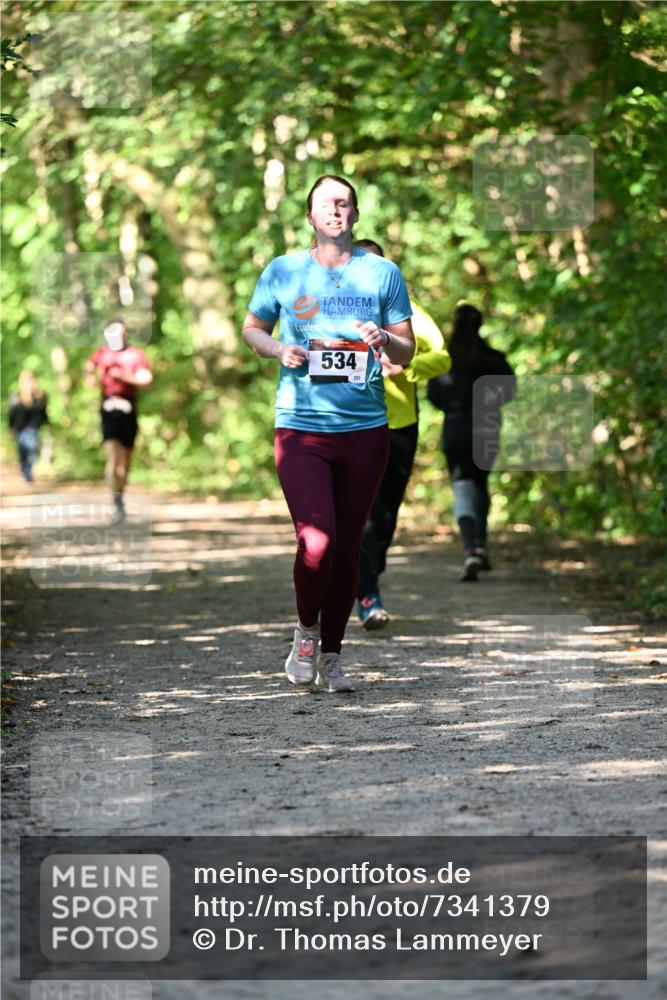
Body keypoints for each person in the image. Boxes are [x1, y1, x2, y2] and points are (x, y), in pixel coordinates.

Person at [242, 175, 415, 693]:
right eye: (325, 205)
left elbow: (406, 350)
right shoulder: (283, 270)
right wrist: (278, 349)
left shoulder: (382, 273)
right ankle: (306, 634)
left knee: (346, 546)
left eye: (344, 203)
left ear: (356, 214)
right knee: (316, 541)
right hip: (301, 428)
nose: (335, 212)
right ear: (310, 216)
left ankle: (333, 655)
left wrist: (384, 339)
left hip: (365, 431)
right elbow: (252, 329)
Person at [353, 239, 451, 629]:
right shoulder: (334, 307)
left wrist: (407, 368)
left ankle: (368, 573)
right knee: (364, 511)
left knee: (387, 512)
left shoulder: (405, 308)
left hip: (399, 423)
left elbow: (442, 356)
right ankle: (367, 593)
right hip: (351, 421)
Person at [428, 304, 515, 581]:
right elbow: (510, 390)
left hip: (456, 428)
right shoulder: (493, 358)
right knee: (480, 484)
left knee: (462, 488)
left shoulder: (445, 361)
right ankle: (480, 543)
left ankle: (470, 550)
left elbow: (434, 396)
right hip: (487, 427)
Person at [85, 319, 152, 524]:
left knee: (125, 462)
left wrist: (123, 376)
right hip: (108, 408)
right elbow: (89, 369)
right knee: (113, 457)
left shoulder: (135, 355)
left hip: (128, 408)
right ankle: (116, 502)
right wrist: (92, 379)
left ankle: (120, 495)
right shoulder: (101, 354)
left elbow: (146, 379)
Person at [8, 370, 49, 482]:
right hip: (21, 429)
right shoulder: (16, 397)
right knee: (23, 451)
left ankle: (29, 472)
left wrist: (47, 424)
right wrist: (11, 427)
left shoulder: (39, 396)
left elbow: (43, 412)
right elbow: (12, 413)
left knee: (32, 449)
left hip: (34, 428)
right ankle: (25, 472)